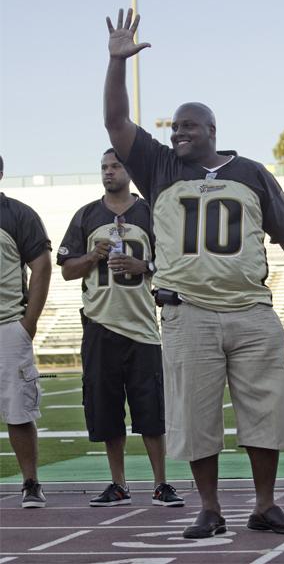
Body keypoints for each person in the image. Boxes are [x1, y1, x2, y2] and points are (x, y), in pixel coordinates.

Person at [103, 9, 284, 537]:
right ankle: (210, 507)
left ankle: (265, 505)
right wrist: (115, 63)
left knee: (265, 414)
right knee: (195, 417)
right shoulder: (159, 166)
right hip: (189, 312)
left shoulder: (250, 172)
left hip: (251, 309)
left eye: (189, 125)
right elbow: (116, 122)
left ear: (211, 130)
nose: (179, 131)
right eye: (175, 125)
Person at [57, 148, 184, 508]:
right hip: (100, 324)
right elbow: (67, 269)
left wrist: (141, 265)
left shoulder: (150, 212)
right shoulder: (86, 215)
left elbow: (173, 262)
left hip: (142, 327)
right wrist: (93, 256)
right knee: (107, 410)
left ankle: (161, 483)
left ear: (128, 170)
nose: (109, 172)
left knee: (151, 412)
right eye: (104, 167)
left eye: (115, 166)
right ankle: (118, 484)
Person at [0, 155, 52, 508]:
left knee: (19, 411)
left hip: (7, 324)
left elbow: (42, 266)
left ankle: (30, 481)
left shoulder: (18, 213)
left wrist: (28, 323)